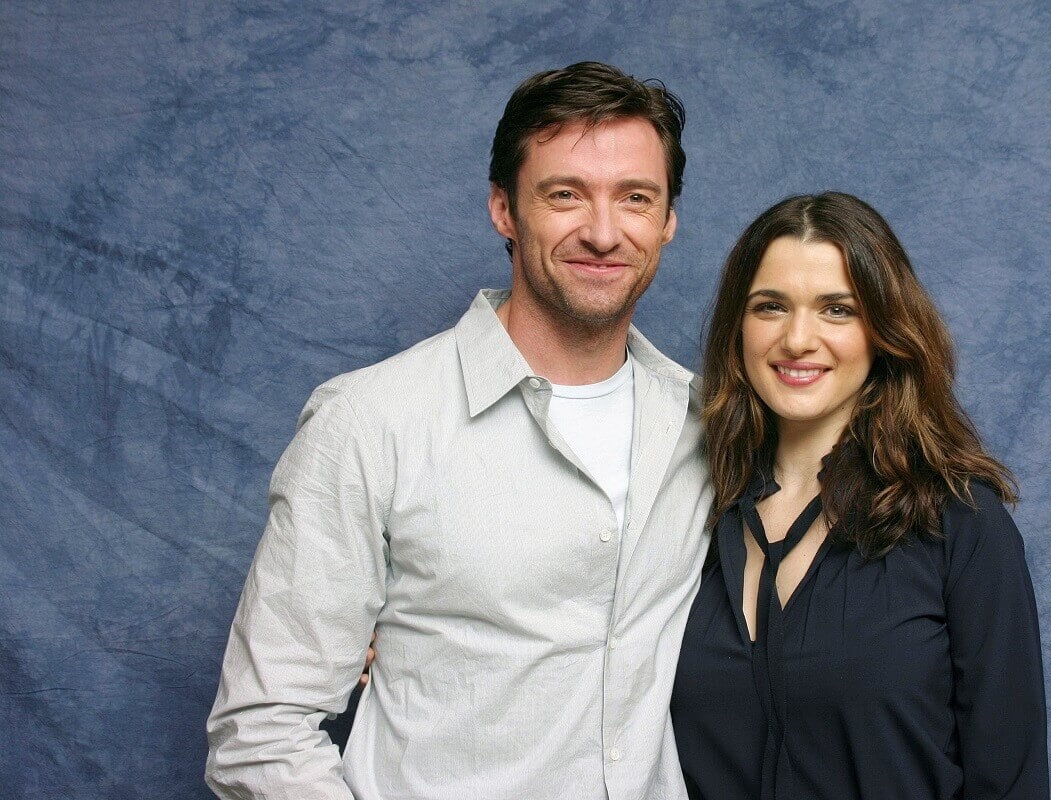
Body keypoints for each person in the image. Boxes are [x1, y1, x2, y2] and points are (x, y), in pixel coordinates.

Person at [206, 62, 713, 800]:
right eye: (564, 194)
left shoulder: (707, 426)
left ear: (667, 220)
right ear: (504, 210)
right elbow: (260, 727)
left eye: (635, 198)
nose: (603, 232)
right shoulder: (370, 421)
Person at [670, 193, 1049, 799]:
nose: (798, 338)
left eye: (837, 310)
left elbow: (1010, 779)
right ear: (737, 327)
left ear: (884, 329)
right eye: (770, 306)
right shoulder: (689, 506)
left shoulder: (959, 522)